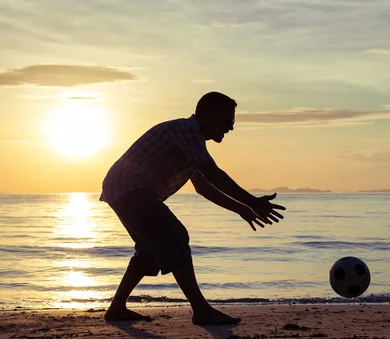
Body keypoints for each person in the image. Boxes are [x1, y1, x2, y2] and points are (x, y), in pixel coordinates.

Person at [99, 92, 285, 325]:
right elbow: (213, 173)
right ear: (208, 115)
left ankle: (117, 308)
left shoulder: (191, 141)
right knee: (175, 235)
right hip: (128, 186)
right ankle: (201, 309)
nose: (230, 128)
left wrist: (241, 208)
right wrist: (253, 202)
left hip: (121, 188)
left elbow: (203, 187)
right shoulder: (187, 131)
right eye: (228, 121)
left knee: (149, 251)